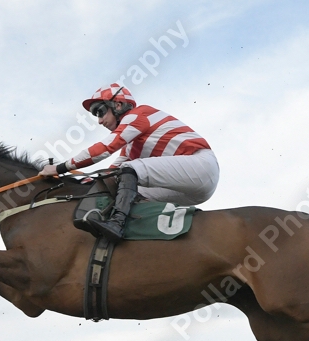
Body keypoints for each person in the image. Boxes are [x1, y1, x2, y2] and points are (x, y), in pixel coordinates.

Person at [38, 84, 219, 240]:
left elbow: (103, 149)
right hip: (193, 191)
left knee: (129, 169)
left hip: (202, 165)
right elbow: (109, 174)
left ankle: (116, 224)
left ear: (117, 105)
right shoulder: (131, 146)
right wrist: (73, 183)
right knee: (125, 188)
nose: (99, 121)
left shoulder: (138, 114)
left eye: (100, 112)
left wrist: (58, 168)